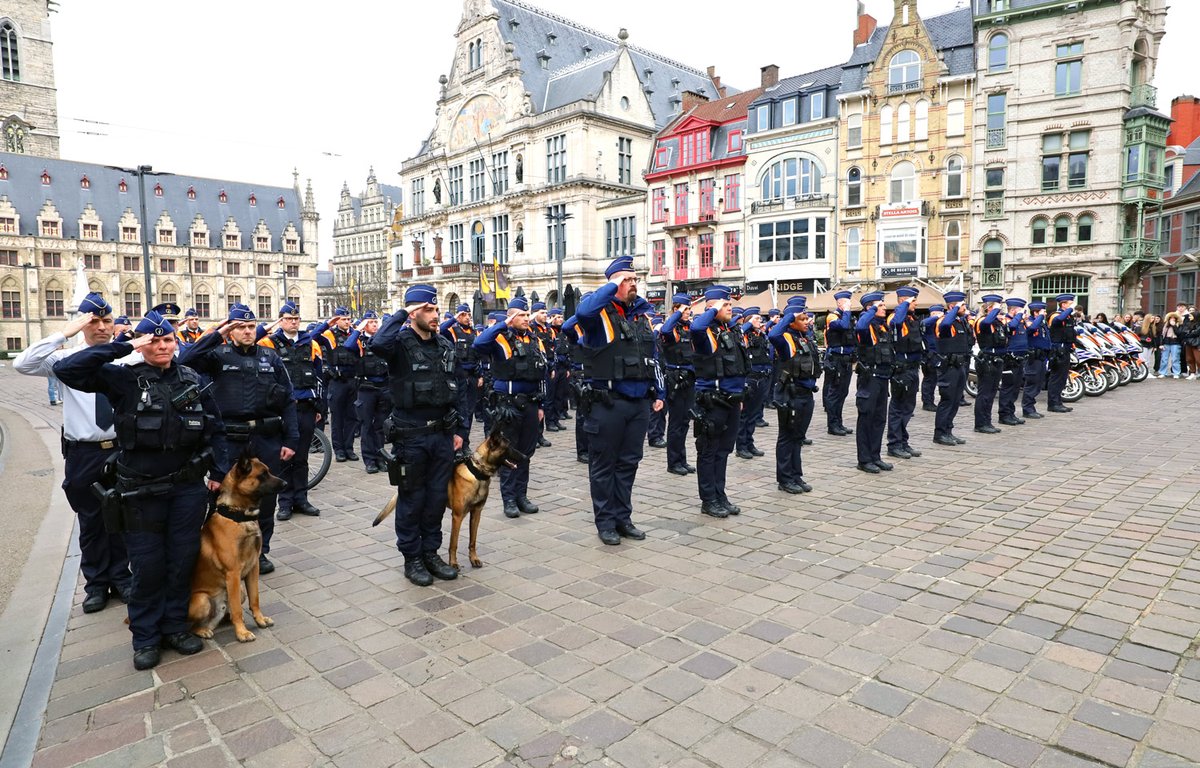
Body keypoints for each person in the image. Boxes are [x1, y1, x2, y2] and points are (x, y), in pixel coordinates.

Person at [54, 310, 219, 670]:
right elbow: (67, 369)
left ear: (175, 343)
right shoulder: (124, 379)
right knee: (147, 566)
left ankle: (175, 627)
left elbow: (213, 426)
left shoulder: (191, 378)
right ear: (143, 345)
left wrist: (217, 471)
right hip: (141, 492)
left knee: (181, 561)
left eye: (167, 340)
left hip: (186, 490)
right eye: (153, 341)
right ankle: (145, 637)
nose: (161, 346)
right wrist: (123, 346)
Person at [15, 293, 131, 613]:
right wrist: (63, 333)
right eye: (93, 322)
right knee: (91, 521)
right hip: (85, 453)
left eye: (107, 321)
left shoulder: (125, 357)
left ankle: (122, 577)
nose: (102, 327)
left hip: (121, 450)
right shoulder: (66, 360)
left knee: (122, 517)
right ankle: (96, 584)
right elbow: (23, 363)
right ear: (82, 325)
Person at [179, 304, 298, 574]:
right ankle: (222, 551)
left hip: (265, 438)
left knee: (265, 500)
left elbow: (288, 399)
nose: (247, 331)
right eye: (240, 327)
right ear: (230, 330)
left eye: (250, 326)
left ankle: (259, 552)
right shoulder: (217, 356)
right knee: (222, 497)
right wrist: (216, 335)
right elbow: (185, 360)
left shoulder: (270, 357)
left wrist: (291, 439)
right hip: (230, 440)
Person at [368, 285, 462, 586]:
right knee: (412, 498)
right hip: (411, 437)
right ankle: (412, 557)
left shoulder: (444, 344)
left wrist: (459, 430)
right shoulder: (399, 344)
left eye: (436, 309)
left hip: (442, 435)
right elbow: (377, 343)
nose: (435, 315)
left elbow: (456, 386)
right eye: (428, 310)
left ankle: (430, 552)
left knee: (436, 498)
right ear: (413, 312)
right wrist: (401, 313)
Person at [574, 256, 663, 544]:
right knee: (604, 466)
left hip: (638, 404)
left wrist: (659, 392)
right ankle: (606, 523)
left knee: (628, 464)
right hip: (607, 403)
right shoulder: (598, 315)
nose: (633, 283)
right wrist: (612, 285)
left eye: (634, 278)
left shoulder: (640, 316)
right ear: (613, 283)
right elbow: (582, 311)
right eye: (627, 279)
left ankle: (623, 518)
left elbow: (653, 358)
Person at [474, 296, 547, 519]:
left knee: (526, 452)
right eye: (521, 315)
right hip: (508, 404)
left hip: (531, 402)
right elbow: (479, 344)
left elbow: (541, 372)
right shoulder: (500, 338)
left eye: (527, 315)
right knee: (507, 452)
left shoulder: (534, 339)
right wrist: (503, 324)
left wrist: (541, 405)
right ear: (511, 317)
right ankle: (509, 499)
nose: (526, 318)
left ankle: (521, 495)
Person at [259, 301, 323, 520]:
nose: (293, 322)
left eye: (296, 319)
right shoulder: (268, 342)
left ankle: (301, 499)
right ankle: (285, 502)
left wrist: (319, 406)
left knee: (302, 457)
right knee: (285, 456)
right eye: (288, 319)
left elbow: (319, 376)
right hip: (282, 409)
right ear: (281, 320)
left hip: (306, 406)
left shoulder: (311, 343)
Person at [690, 285, 749, 517]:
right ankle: (708, 500)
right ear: (712, 307)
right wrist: (713, 309)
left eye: (730, 304)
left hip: (732, 401)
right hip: (713, 402)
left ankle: (720, 494)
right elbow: (696, 327)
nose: (729, 308)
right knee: (708, 451)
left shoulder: (730, 330)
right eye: (725, 305)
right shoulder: (706, 332)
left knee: (723, 451)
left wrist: (740, 395)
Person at [768, 306, 820, 493]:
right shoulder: (786, 339)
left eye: (807, 318)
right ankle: (785, 478)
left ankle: (796, 475)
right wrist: (790, 315)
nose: (807, 322)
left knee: (798, 437)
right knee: (787, 437)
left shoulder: (804, 337)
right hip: (791, 394)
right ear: (791, 322)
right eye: (802, 319)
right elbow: (773, 335)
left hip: (806, 393)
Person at [853, 292, 894, 473]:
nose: (884, 308)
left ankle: (875, 456)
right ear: (870, 308)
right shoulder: (866, 325)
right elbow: (861, 326)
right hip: (869, 379)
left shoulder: (882, 326)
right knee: (866, 419)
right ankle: (864, 460)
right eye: (880, 305)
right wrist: (871, 310)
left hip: (883, 378)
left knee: (879, 419)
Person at [345, 311, 389, 473]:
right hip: (366, 388)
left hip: (383, 387)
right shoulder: (360, 341)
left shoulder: (382, 340)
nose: (374, 325)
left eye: (375, 322)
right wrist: (359, 329)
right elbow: (348, 346)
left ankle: (381, 458)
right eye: (370, 322)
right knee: (366, 425)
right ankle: (369, 460)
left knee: (380, 426)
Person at [658, 293, 697, 475]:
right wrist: (678, 313)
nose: (688, 312)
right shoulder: (671, 328)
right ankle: (673, 462)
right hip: (676, 379)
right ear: (676, 309)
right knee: (676, 423)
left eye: (689, 309)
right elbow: (665, 330)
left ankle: (682, 459)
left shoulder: (687, 328)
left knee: (685, 421)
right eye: (685, 309)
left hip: (689, 378)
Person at [885, 287, 923, 460]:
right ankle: (894, 444)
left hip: (913, 367)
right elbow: (896, 323)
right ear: (903, 301)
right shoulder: (895, 316)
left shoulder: (912, 318)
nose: (916, 304)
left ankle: (903, 441)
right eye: (913, 301)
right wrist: (904, 305)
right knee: (898, 407)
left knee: (908, 407)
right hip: (902, 369)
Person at [319, 307, 361, 462]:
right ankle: (339, 450)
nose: (347, 322)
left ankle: (349, 448)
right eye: (343, 319)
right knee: (337, 417)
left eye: (349, 319)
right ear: (337, 320)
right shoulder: (330, 334)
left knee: (352, 417)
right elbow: (313, 337)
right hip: (337, 381)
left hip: (352, 380)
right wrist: (327, 324)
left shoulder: (354, 334)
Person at [440, 303, 482, 448]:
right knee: (456, 410)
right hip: (457, 376)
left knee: (468, 411)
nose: (467, 317)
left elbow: (480, 355)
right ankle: (454, 442)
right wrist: (454, 318)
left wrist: (481, 375)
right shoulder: (453, 330)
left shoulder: (474, 332)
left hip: (472, 375)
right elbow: (441, 329)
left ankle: (465, 443)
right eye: (463, 315)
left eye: (468, 314)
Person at [933, 291, 972, 446]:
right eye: (962, 305)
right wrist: (955, 309)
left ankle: (948, 431)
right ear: (952, 307)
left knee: (955, 401)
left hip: (959, 365)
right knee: (947, 400)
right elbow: (944, 326)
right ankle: (940, 433)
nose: (965, 308)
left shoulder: (960, 321)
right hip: (948, 367)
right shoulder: (944, 321)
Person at [736, 309, 772, 460]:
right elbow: (739, 334)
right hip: (749, 378)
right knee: (744, 414)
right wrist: (748, 323)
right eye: (756, 319)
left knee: (753, 414)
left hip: (762, 377)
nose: (760, 321)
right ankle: (741, 446)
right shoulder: (743, 334)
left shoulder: (761, 335)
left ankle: (749, 443)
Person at [972, 294, 1008, 435]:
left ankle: (987, 421)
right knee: (985, 393)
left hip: (996, 360)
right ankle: (980, 423)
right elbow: (986, 323)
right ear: (989, 308)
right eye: (997, 307)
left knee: (991, 393)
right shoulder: (982, 320)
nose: (1000, 310)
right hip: (987, 360)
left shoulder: (996, 322)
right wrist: (995, 310)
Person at [822, 291, 856, 436]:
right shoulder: (832, 316)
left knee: (843, 392)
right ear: (839, 303)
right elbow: (843, 326)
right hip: (836, 360)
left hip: (846, 361)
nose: (850, 305)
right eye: (847, 302)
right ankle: (832, 425)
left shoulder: (847, 317)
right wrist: (847, 311)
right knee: (834, 393)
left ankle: (839, 423)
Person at [560, 312, 589, 463]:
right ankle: (583, 451)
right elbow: (566, 327)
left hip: (597, 374)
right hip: (581, 376)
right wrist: (583, 312)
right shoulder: (576, 330)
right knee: (583, 415)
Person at [529, 301, 557, 442]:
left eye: (546, 312)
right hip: (531, 369)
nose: (545, 315)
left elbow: (552, 350)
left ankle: (540, 435)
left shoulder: (549, 329)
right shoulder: (530, 328)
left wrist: (552, 367)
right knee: (533, 402)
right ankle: (533, 435)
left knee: (543, 400)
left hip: (544, 367)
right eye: (542, 313)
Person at [998, 298, 1028, 426]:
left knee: (1015, 388)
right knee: (1008, 387)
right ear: (1014, 310)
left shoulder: (1020, 321)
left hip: (1020, 358)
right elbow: (1011, 327)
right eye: (1020, 310)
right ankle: (1004, 415)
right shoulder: (1006, 320)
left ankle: (1011, 413)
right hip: (1010, 359)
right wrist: (1019, 315)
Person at [1046, 294, 1078, 411]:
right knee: (1056, 377)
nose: (1072, 306)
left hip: (1066, 348)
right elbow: (1058, 320)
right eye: (1070, 304)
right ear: (1063, 304)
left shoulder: (1068, 316)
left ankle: (1058, 402)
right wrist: (1069, 310)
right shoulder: (1055, 315)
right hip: (1058, 349)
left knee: (1062, 377)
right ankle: (1053, 404)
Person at [1022, 301, 1051, 418]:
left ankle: (1031, 407)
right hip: (1033, 357)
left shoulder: (1041, 323)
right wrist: (1040, 317)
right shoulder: (1030, 321)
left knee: (1038, 383)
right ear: (1036, 312)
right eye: (1043, 311)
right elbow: (1032, 329)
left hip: (1042, 356)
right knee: (1032, 383)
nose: (1045, 313)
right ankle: (1027, 409)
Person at [920, 305, 944, 412]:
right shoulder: (928, 323)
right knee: (929, 379)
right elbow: (924, 323)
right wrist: (936, 317)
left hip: (937, 355)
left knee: (934, 379)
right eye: (934, 314)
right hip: (929, 356)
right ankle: (927, 402)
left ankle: (930, 401)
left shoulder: (939, 324)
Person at [1159, 309, 1184, 377]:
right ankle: (1163, 373)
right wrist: (1161, 344)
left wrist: (1174, 326)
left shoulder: (1179, 325)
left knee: (1175, 359)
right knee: (1164, 359)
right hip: (1166, 342)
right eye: (1171, 318)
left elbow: (1179, 334)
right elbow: (1162, 335)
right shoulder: (1165, 325)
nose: (1172, 319)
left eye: (1174, 318)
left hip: (1175, 343)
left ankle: (1176, 373)